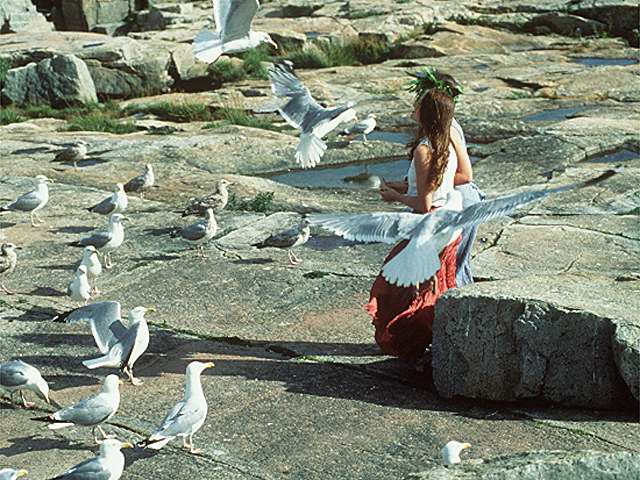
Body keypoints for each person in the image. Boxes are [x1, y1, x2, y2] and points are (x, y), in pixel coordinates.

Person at [365, 85, 463, 363]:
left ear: (426, 113)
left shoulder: (423, 149)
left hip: (428, 228)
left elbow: (423, 205)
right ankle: (432, 341)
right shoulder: (446, 144)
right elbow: (443, 184)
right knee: (433, 286)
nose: (414, 107)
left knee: (393, 287)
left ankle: (409, 343)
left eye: (418, 104)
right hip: (450, 224)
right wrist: (406, 185)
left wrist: (394, 196)